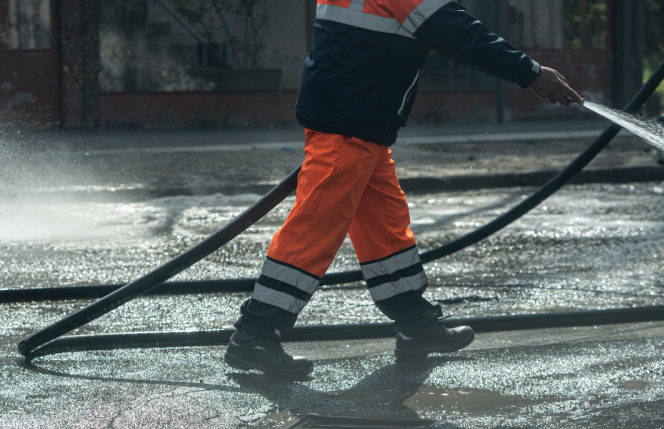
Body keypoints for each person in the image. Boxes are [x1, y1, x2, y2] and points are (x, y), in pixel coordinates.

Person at [225, 0, 582, 378]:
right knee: (313, 228)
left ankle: (416, 326)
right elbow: (456, 32)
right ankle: (255, 335)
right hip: (350, 121)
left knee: (385, 227)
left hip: (360, 121)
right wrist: (531, 73)